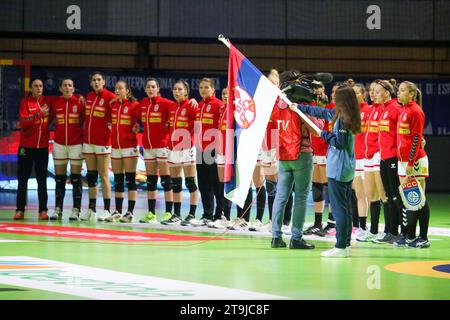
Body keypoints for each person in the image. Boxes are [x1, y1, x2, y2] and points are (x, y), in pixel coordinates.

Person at [293, 84, 361, 257]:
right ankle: (344, 245)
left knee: (340, 209)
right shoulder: (341, 114)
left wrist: (321, 133)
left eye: (335, 96)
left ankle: (340, 246)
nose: (332, 98)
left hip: (339, 168)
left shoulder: (344, 119)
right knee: (345, 208)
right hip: (345, 168)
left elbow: (340, 143)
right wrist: (299, 108)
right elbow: (321, 112)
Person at [270, 70, 322, 250]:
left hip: (284, 155)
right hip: (302, 153)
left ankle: (276, 237)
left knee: (281, 196)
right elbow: (317, 128)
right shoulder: (300, 104)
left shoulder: (276, 105)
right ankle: (296, 238)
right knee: (300, 197)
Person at [394, 81, 430, 248]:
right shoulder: (403, 111)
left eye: (402, 91)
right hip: (403, 162)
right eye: (399, 90)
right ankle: (409, 236)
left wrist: (410, 161)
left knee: (418, 199)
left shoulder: (415, 111)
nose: (398, 93)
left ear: (411, 94)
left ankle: (423, 238)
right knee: (409, 200)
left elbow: (416, 138)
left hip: (414, 162)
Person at [80, 72, 116, 222]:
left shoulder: (110, 98)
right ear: (91, 83)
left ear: (104, 82)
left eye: (99, 80)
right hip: (88, 142)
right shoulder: (88, 96)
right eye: (94, 80)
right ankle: (92, 209)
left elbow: (118, 114)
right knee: (91, 176)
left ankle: (107, 210)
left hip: (102, 143)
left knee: (104, 175)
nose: (96, 82)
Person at [47, 79, 84, 221]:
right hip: (59, 145)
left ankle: (76, 210)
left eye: (70, 86)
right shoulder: (56, 103)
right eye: (65, 86)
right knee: (60, 178)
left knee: (76, 178)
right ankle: (58, 209)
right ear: (60, 88)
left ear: (74, 89)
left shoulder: (80, 102)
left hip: (76, 145)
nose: (67, 88)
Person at [372, 79, 404, 244]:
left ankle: (403, 233)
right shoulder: (383, 110)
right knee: (389, 195)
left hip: (393, 158)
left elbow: (403, 135)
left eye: (377, 92)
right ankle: (391, 232)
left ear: (386, 93)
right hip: (383, 158)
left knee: (396, 196)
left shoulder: (396, 109)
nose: (374, 94)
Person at [138, 78, 173, 224]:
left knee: (166, 180)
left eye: (153, 87)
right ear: (145, 89)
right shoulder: (143, 104)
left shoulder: (166, 103)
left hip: (162, 146)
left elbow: (180, 107)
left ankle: (168, 213)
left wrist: (193, 102)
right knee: (151, 181)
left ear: (158, 89)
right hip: (148, 147)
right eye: (148, 87)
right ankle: (151, 213)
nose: (150, 89)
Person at [14, 79, 50, 220]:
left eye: (41, 86)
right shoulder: (25, 102)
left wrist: (80, 98)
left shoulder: (48, 101)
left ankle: (43, 210)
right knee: (22, 180)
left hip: (42, 148)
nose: (39, 88)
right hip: (26, 148)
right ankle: (20, 210)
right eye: (36, 86)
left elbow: (65, 97)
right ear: (30, 88)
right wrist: (39, 114)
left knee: (42, 180)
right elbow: (24, 123)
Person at [165, 80, 199, 226]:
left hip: (187, 147)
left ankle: (192, 214)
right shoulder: (172, 106)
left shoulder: (192, 106)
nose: (176, 91)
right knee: (176, 183)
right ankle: (176, 214)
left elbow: (199, 125)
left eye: (180, 89)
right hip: (172, 148)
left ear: (186, 91)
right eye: (175, 89)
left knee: (190, 182)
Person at [104, 81, 140, 223]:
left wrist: (137, 128)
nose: (117, 91)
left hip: (129, 147)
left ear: (127, 91)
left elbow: (139, 122)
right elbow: (108, 123)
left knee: (130, 179)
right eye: (116, 88)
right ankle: (118, 211)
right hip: (116, 148)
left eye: (120, 88)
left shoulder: (134, 105)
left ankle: (130, 212)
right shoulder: (112, 105)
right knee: (118, 180)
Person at [357, 81, 388, 242]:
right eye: (371, 91)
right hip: (368, 156)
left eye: (376, 91)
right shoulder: (374, 110)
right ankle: (374, 230)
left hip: (379, 155)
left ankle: (391, 231)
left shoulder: (386, 109)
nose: (373, 94)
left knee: (384, 194)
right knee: (371, 195)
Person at [192, 78, 223, 226]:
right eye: (201, 87)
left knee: (215, 184)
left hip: (213, 150)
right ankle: (207, 215)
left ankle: (219, 215)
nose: (203, 90)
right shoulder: (198, 105)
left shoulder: (219, 105)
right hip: (200, 150)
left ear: (213, 90)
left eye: (206, 87)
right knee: (203, 184)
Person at [210, 87, 232, 229]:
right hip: (220, 152)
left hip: (231, 153)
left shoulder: (236, 111)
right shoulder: (221, 109)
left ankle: (231, 217)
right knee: (221, 185)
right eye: (223, 94)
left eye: (228, 94)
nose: (225, 96)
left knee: (231, 185)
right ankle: (223, 216)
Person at [352, 83, 370, 240]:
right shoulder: (350, 112)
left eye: (357, 93)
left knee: (368, 194)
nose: (354, 96)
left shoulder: (369, 111)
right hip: (355, 158)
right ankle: (360, 226)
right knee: (358, 194)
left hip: (367, 158)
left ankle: (368, 227)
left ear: (363, 95)